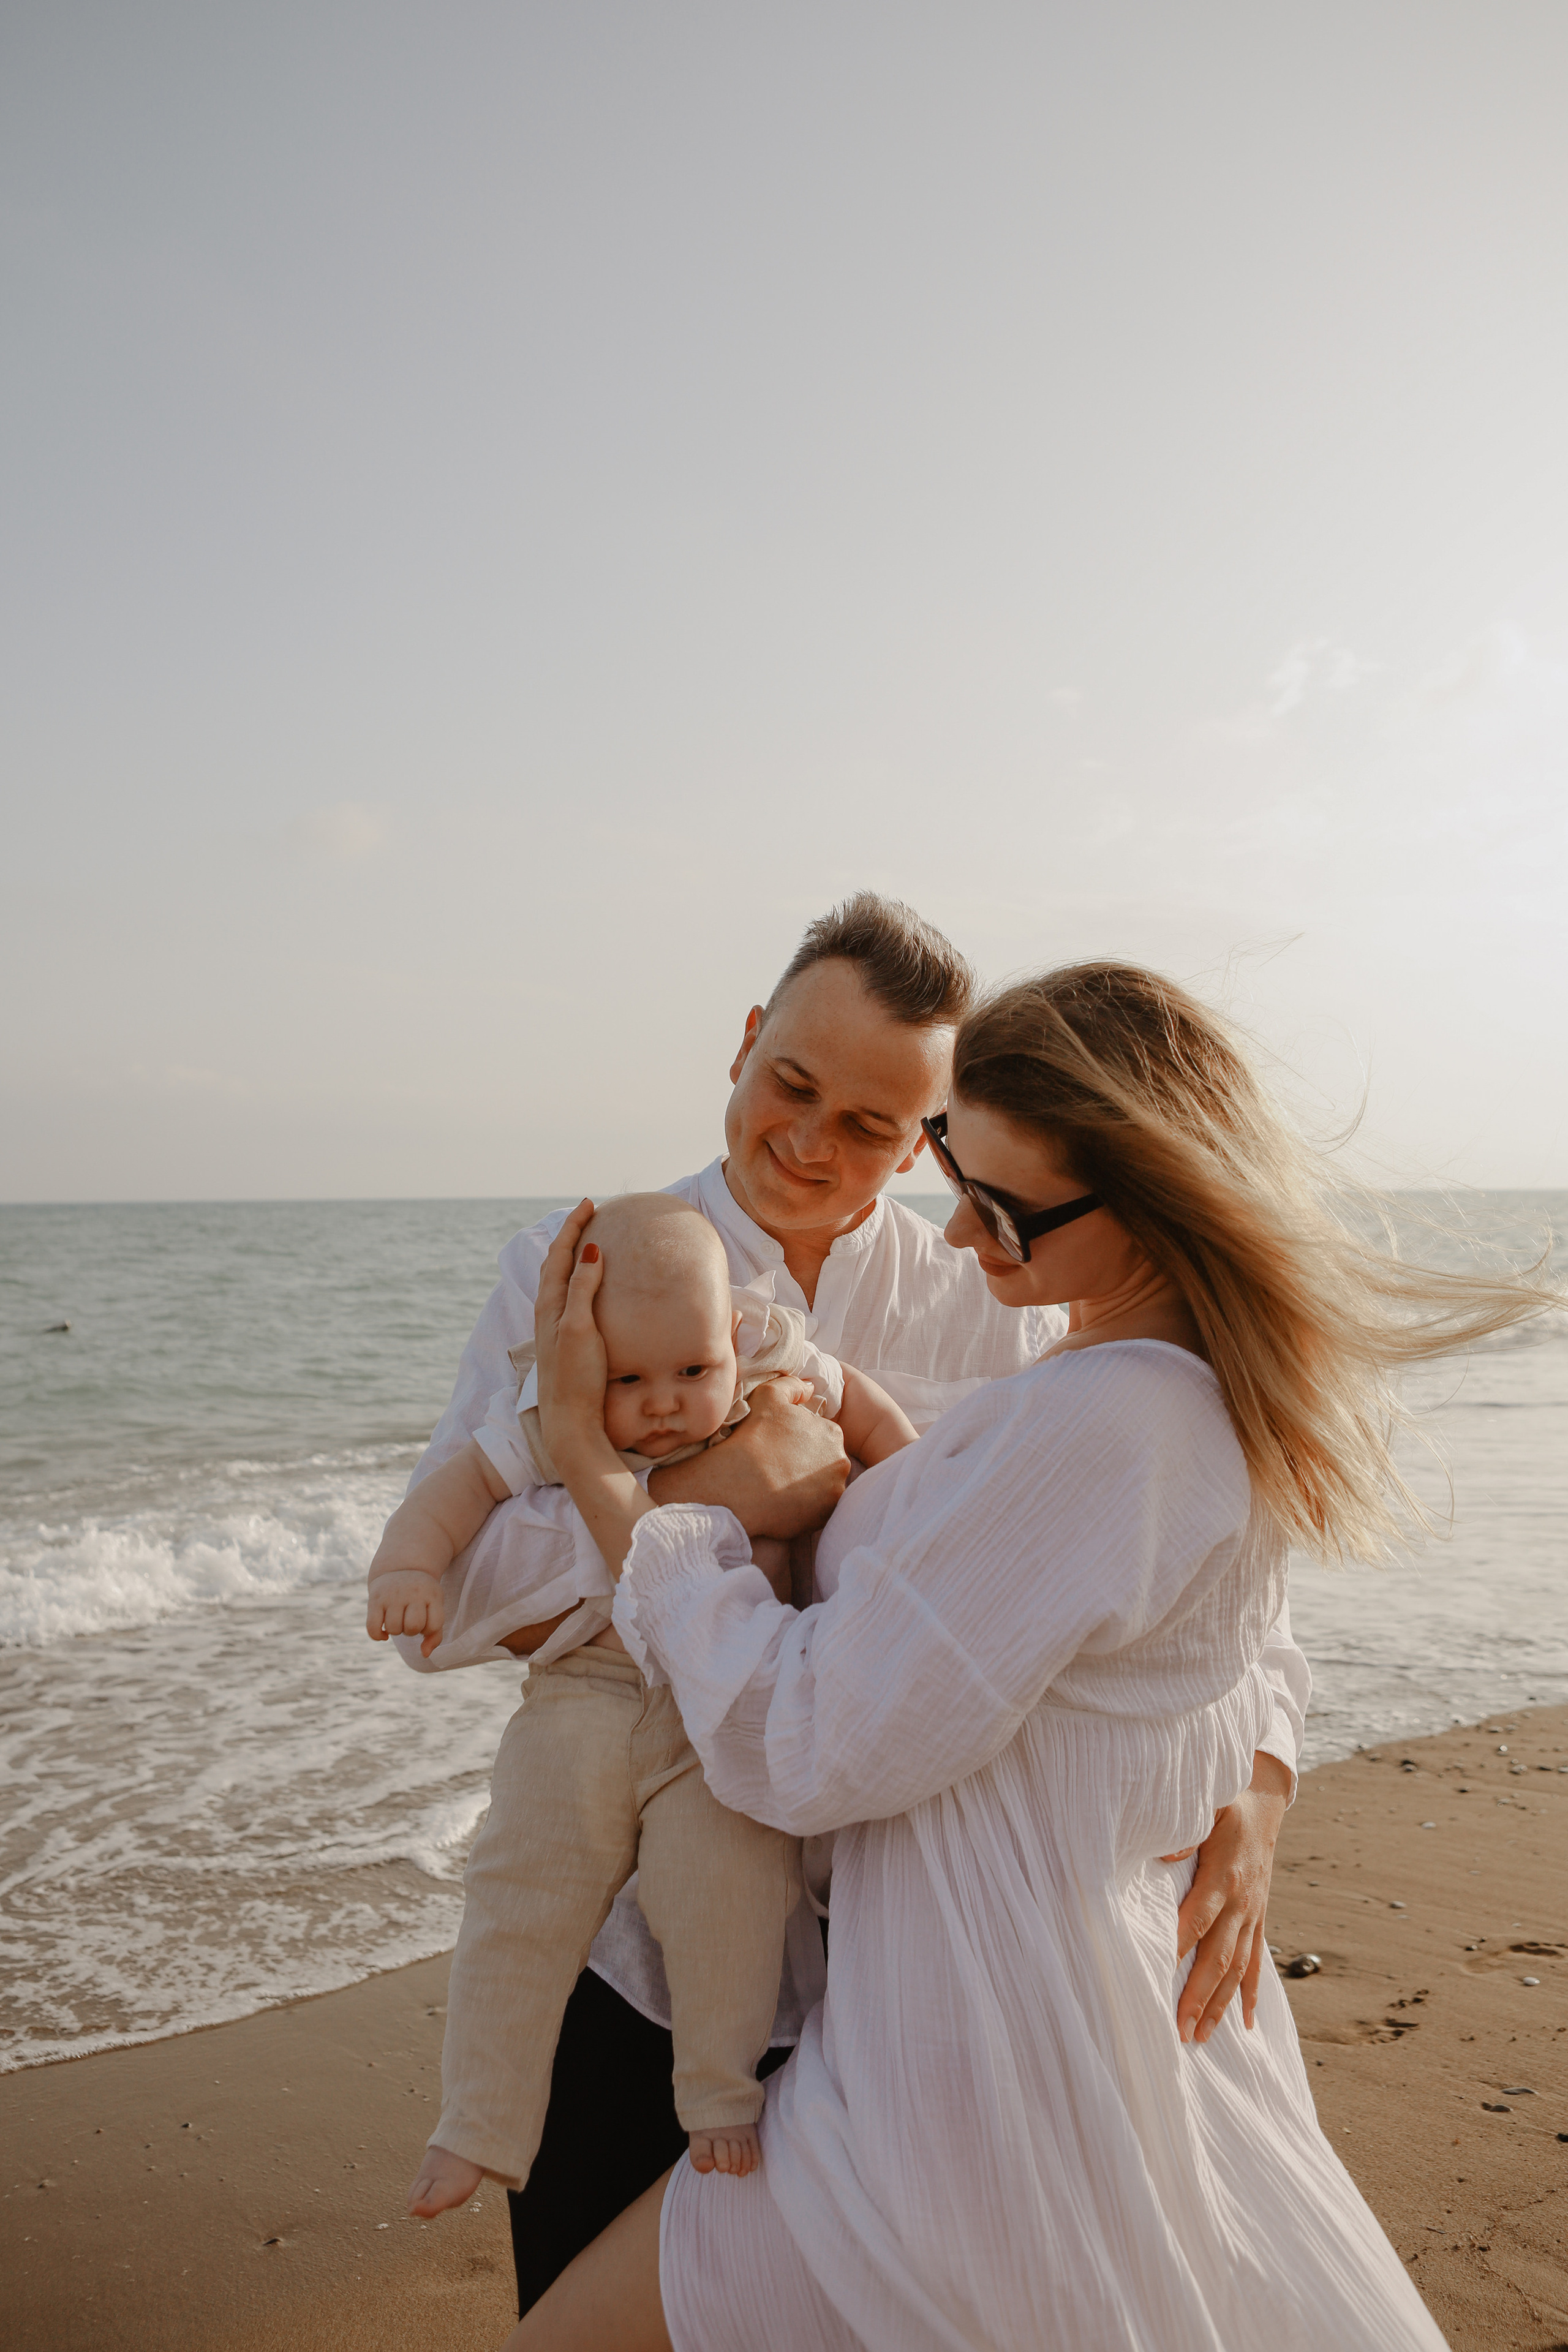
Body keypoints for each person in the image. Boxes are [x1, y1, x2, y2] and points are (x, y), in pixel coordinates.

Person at [508, 957, 1557, 2351]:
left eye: (996, 1205)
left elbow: (802, 1745)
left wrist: (622, 1487)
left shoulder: (1103, 1416)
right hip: (784, 1973)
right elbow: (466, 1591)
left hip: (956, 2063)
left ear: (1155, 1203)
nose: (955, 1232)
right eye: (958, 1167)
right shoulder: (1164, 1378)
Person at [398, 895, 1309, 2313]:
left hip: (905, 1977)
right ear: (743, 1044)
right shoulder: (571, 1271)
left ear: (931, 1133)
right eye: (791, 1085)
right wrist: (700, 1491)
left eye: (872, 1126)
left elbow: (1184, 1554)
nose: (812, 1143)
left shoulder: (1000, 1286)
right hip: (642, 1954)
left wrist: (1256, 1784)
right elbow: (454, 1603)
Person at [364, 1191, 914, 2204]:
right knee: (522, 1884)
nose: (663, 1404)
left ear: (734, 1335)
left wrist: (917, 1488)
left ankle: (718, 2096)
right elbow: (455, 1489)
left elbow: (872, 1415)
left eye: (692, 1373)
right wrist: (407, 1569)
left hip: (722, 1701)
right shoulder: (552, 1417)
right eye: (630, 1381)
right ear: (589, 1363)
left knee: (731, 1895)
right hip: (587, 1688)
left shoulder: (772, 1371)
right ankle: (477, 2122)